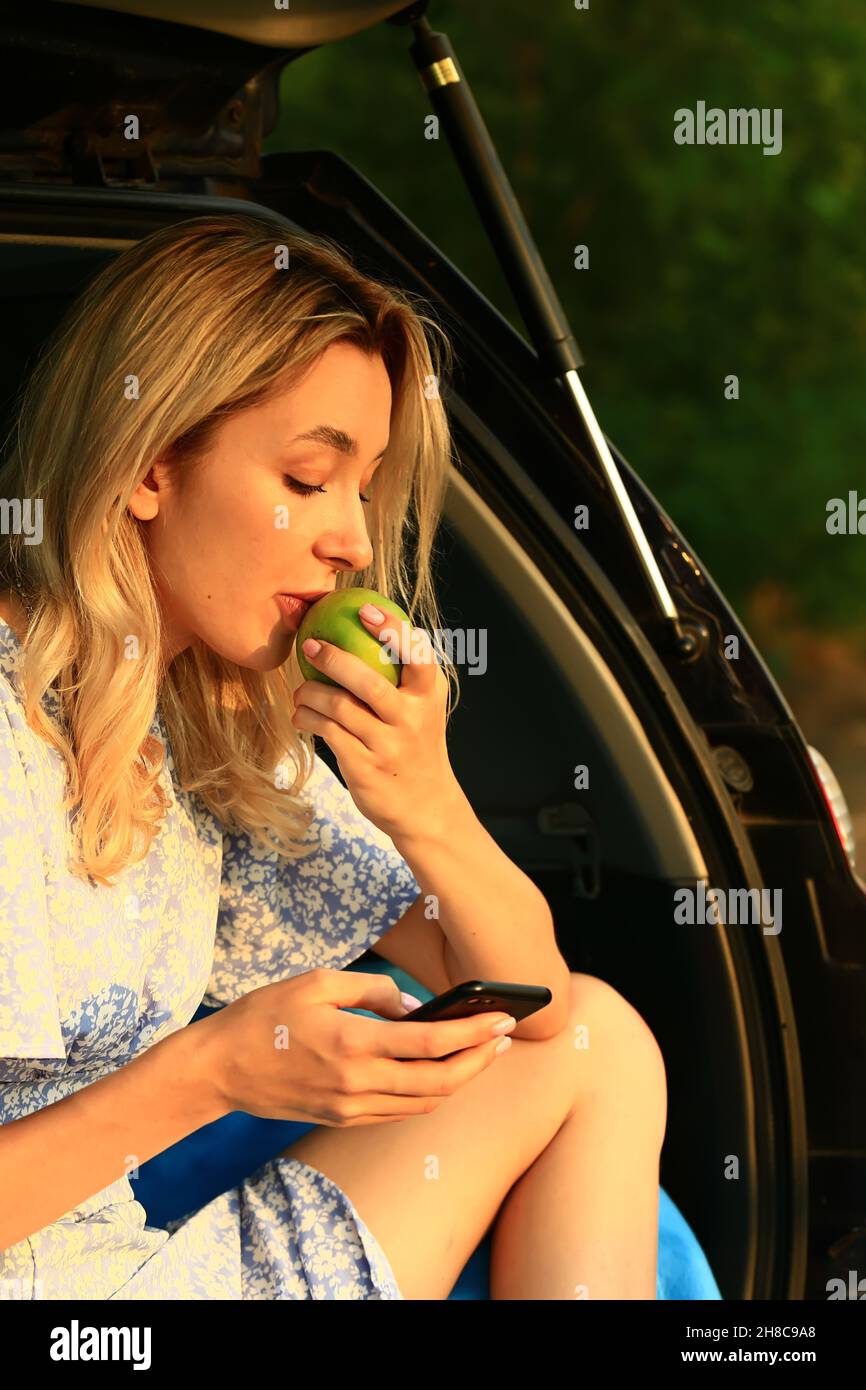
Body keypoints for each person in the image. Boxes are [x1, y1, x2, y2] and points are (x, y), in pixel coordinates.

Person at [0, 213, 667, 1300]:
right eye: (310, 480)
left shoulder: (193, 736)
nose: (355, 541)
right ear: (148, 468)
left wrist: (425, 803)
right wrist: (213, 1073)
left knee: (597, 1041)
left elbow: (531, 1000)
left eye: (365, 489)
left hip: (126, 1282)